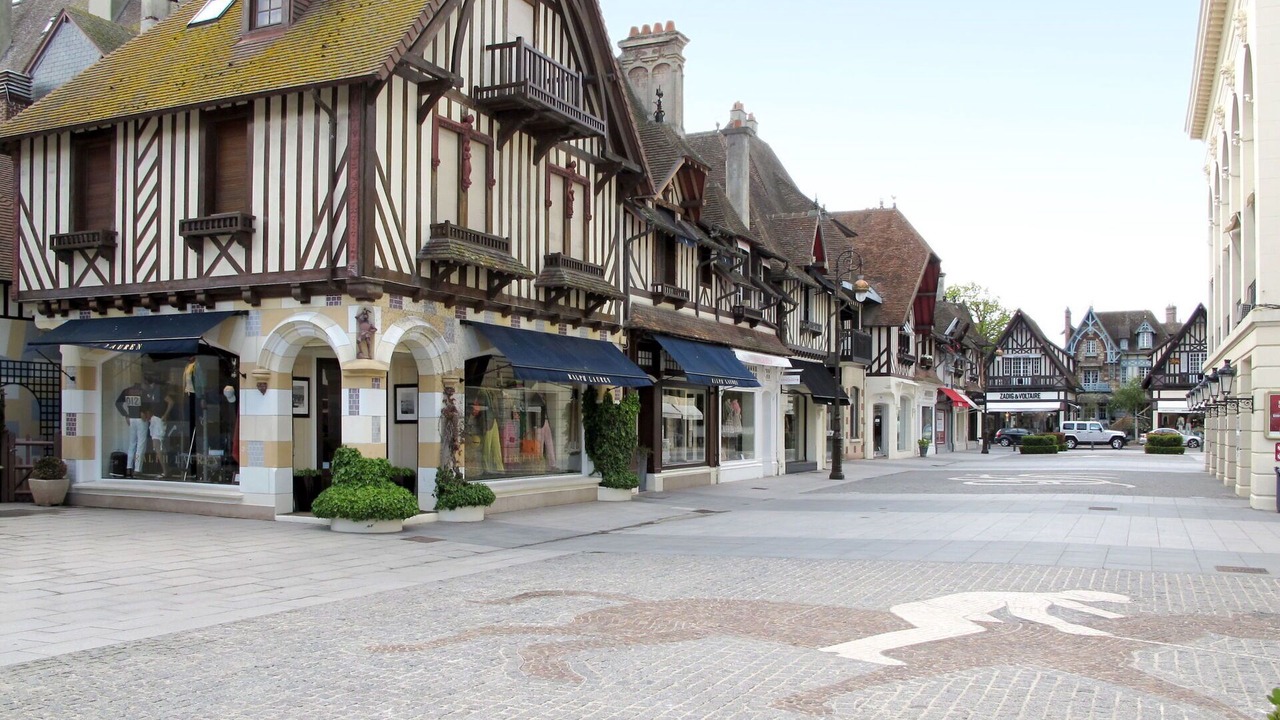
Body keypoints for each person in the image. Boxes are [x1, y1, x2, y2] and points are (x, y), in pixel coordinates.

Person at [115, 379, 147, 478]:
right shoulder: (142, 391)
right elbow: (148, 404)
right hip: (141, 419)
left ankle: (129, 468)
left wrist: (126, 415)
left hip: (131, 418)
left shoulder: (127, 391)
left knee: (132, 444)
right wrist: (144, 412)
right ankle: (137, 469)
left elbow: (118, 403)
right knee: (141, 444)